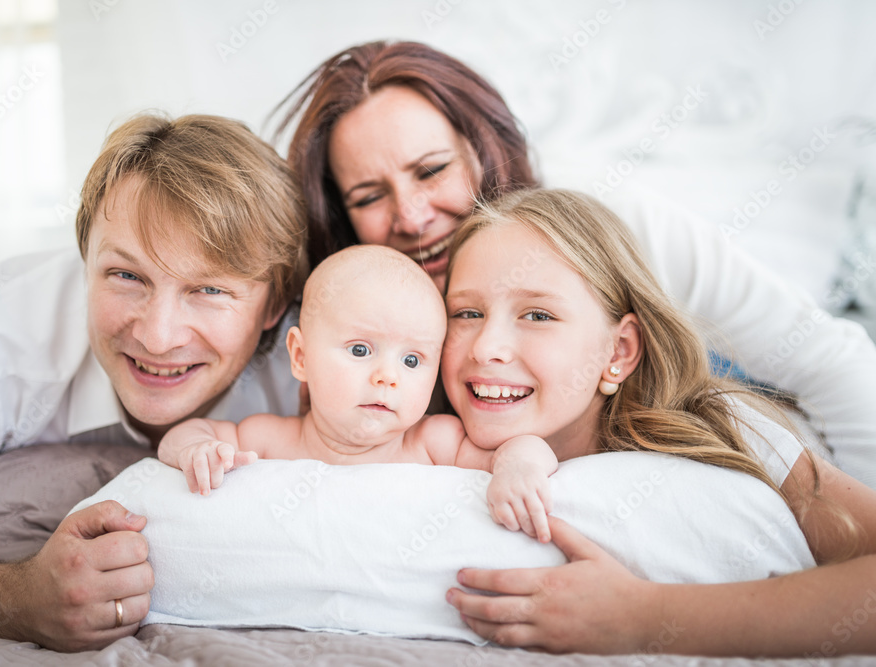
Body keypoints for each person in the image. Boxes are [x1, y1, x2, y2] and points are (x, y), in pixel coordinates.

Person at [276, 41, 876, 656]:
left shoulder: (715, 407)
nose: (411, 215)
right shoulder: (367, 372)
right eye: (369, 196)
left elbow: (829, 365)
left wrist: (647, 616)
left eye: (431, 171)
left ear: (485, 153)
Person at [0, 113, 309, 651]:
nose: (157, 337)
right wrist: (13, 601)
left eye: (209, 290)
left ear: (274, 308)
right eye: (126, 276)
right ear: (85, 263)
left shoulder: (323, 360)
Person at [440, 188, 876, 655]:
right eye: (467, 313)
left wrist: (643, 615)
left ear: (619, 351)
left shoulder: (722, 426)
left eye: (538, 315)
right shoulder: (414, 437)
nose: (486, 347)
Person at [157, 244, 558, 541]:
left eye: (413, 361)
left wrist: (518, 469)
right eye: (361, 350)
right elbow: (184, 435)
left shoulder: (433, 443)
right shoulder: (268, 438)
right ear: (300, 357)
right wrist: (196, 451)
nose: (388, 377)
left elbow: (521, 447)